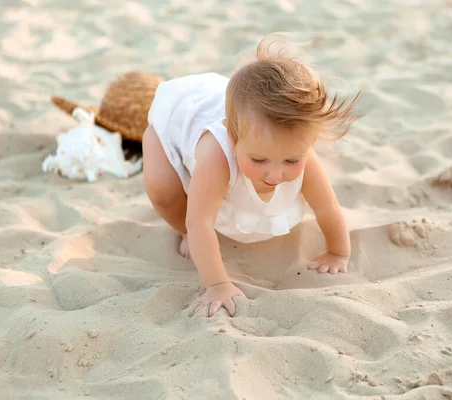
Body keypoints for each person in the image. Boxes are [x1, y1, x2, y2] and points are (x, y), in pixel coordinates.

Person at [142, 34, 360, 317]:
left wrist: (337, 253)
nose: (276, 173)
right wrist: (218, 284)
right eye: (259, 160)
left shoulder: (299, 151)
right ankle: (179, 230)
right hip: (174, 120)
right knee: (163, 190)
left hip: (247, 116)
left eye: (292, 160)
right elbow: (201, 222)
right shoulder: (216, 155)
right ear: (232, 138)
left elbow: (327, 207)